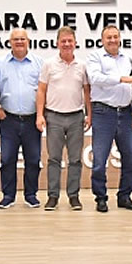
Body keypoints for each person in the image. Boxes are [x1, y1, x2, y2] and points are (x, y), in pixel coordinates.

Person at [36, 26, 91, 211]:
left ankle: (74, 196)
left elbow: (87, 91)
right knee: (54, 159)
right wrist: (39, 115)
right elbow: (41, 90)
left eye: (70, 41)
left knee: (75, 159)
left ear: (75, 43)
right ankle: (53, 196)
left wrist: (89, 114)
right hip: (53, 116)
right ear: (57, 43)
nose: (67, 44)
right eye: (63, 41)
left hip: (76, 116)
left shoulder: (82, 65)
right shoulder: (48, 64)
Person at [87, 25, 132, 212]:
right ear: (102, 40)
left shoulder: (128, 60)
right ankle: (101, 197)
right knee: (99, 160)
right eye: (108, 37)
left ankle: (124, 196)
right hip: (104, 113)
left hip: (125, 113)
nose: (112, 40)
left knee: (130, 158)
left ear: (120, 39)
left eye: (115, 37)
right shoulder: (95, 57)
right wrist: (122, 79)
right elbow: (95, 78)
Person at [0, 28, 43, 209]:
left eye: (22, 39)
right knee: (7, 159)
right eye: (16, 40)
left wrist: (40, 115)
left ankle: (31, 195)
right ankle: (8, 196)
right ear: (10, 42)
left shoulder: (39, 63)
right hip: (8, 119)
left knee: (33, 159)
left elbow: (44, 91)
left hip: (32, 119)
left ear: (28, 41)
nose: (19, 42)